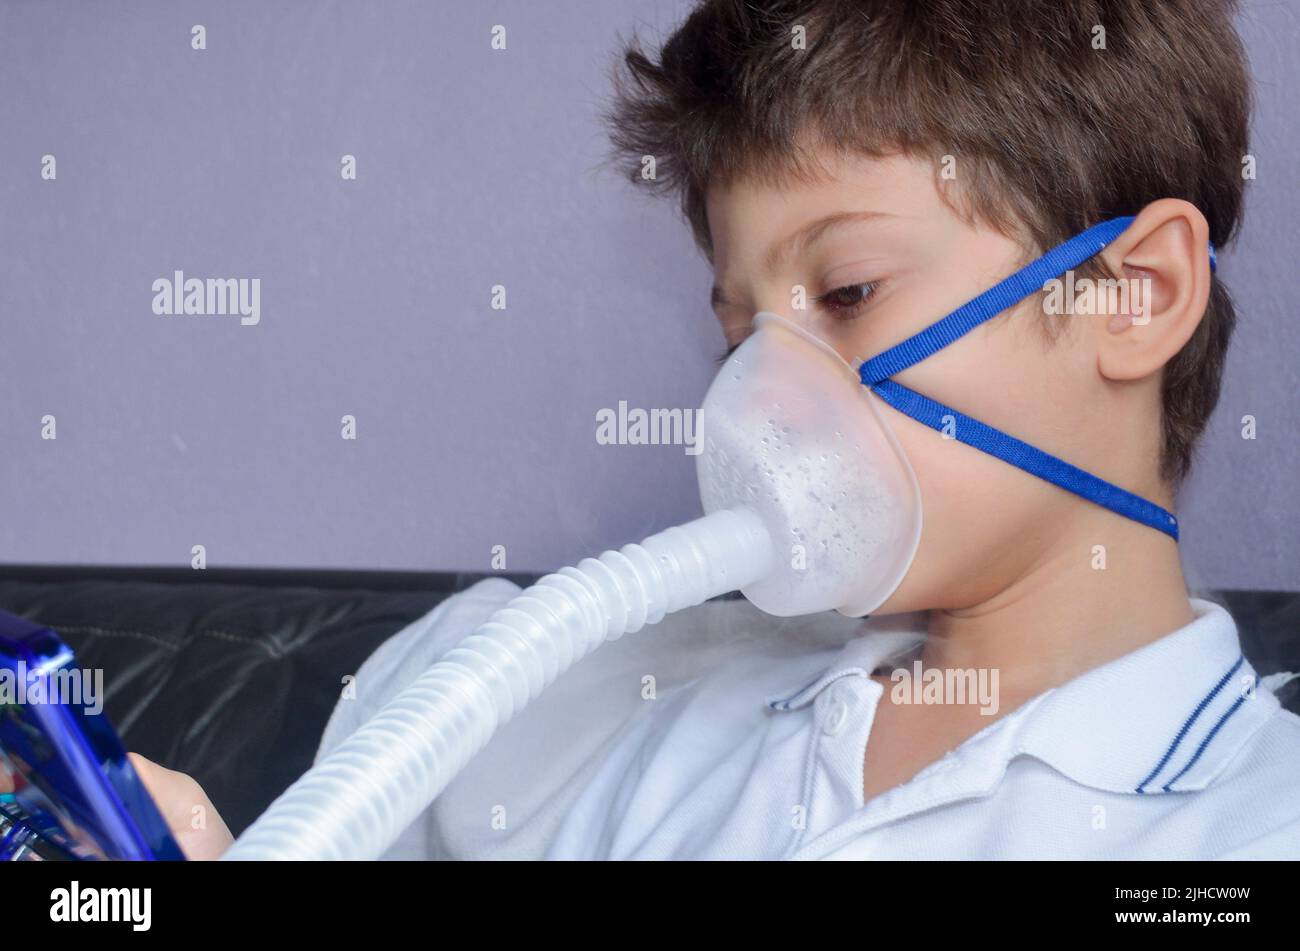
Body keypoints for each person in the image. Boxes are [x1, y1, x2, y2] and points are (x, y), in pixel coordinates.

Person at [140, 0, 1300, 859]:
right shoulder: (562, 701)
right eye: (743, 335)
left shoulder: (1251, 830)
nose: (769, 400)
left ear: (1131, 294)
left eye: (846, 293)